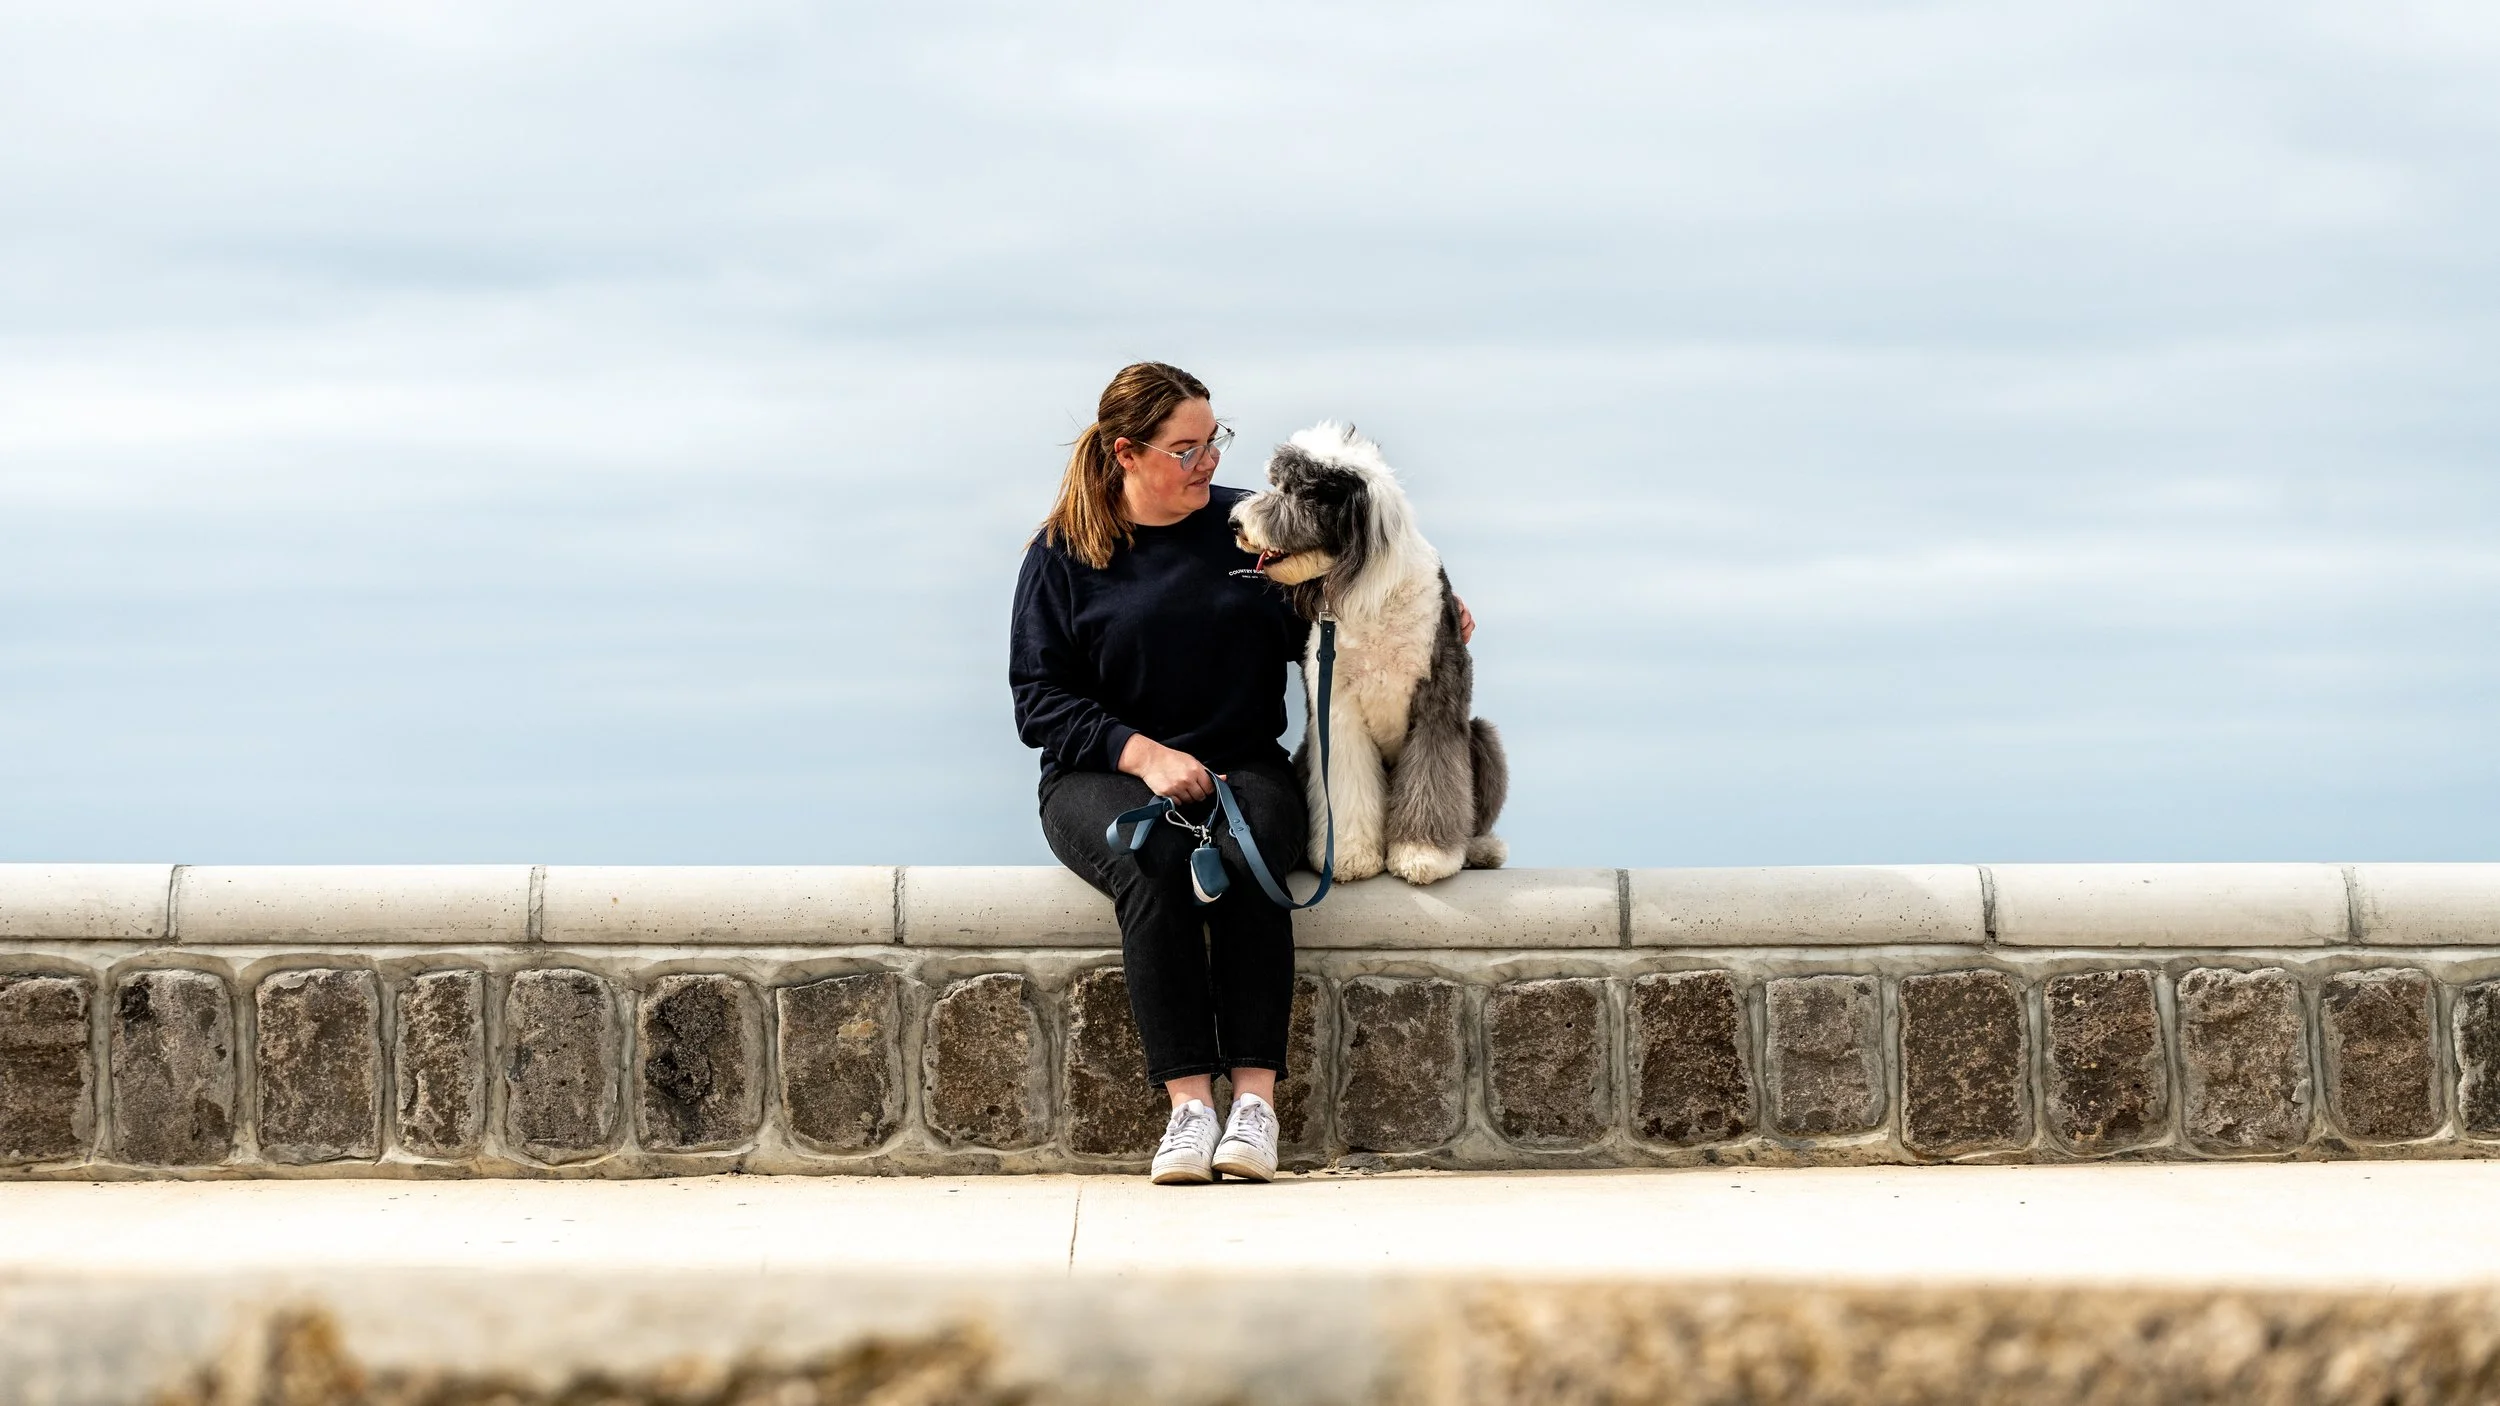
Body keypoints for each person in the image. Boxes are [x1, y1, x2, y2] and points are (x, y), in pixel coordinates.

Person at [1010, 361, 1305, 1185]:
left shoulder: (1257, 530)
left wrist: (1435, 602)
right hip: (1100, 771)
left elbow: (1350, 602)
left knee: (1249, 860)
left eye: (1215, 441)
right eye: (1185, 449)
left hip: (1245, 765)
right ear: (1126, 453)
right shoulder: (1062, 553)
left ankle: (1255, 1103)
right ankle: (1188, 1107)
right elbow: (1038, 699)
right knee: (1156, 863)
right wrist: (1143, 754)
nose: (1208, 462)